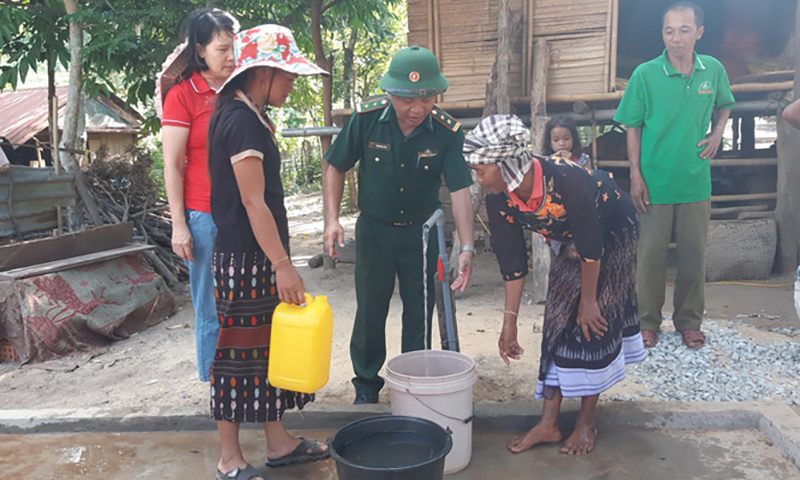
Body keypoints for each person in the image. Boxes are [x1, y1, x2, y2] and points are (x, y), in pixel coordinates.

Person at [464, 114, 645, 456]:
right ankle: (548, 423)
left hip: (614, 230)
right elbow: (513, 265)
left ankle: (585, 423)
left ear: (506, 163)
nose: (478, 178)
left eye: (480, 169)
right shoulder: (499, 198)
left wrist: (590, 300)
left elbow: (592, 248)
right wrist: (509, 323)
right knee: (558, 317)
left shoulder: (566, 178)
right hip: (569, 240)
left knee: (593, 322)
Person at [206, 24, 330, 480]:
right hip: (246, 259)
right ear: (263, 72)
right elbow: (253, 201)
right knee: (237, 356)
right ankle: (229, 458)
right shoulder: (240, 121)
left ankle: (278, 443)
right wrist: (283, 266)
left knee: (268, 353)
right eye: (289, 74)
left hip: (255, 256)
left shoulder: (247, 113)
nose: (293, 82)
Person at [323, 46, 475, 405]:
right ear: (391, 93)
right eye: (408, 100)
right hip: (374, 231)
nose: (418, 108)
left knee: (419, 312)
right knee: (370, 309)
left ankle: (412, 384)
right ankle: (365, 385)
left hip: (422, 235)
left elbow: (460, 188)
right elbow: (335, 166)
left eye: (427, 98)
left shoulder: (446, 131)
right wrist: (331, 219)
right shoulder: (366, 119)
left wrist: (466, 245)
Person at [613, 1, 734, 349]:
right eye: (669, 30)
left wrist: (717, 133)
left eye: (684, 30)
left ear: (699, 33)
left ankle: (689, 321)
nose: (675, 37)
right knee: (649, 256)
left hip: (695, 181)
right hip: (654, 182)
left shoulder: (712, 70)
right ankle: (647, 322)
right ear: (662, 34)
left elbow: (725, 104)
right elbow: (632, 127)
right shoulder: (645, 74)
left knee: (694, 255)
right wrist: (635, 176)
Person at [161, 9, 238, 382]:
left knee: (244, 303)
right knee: (210, 307)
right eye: (222, 49)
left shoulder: (238, 91)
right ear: (200, 49)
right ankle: (216, 386)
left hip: (241, 215)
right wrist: (180, 225)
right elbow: (173, 165)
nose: (231, 56)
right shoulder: (183, 96)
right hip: (203, 216)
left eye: (234, 47)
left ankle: (243, 380)